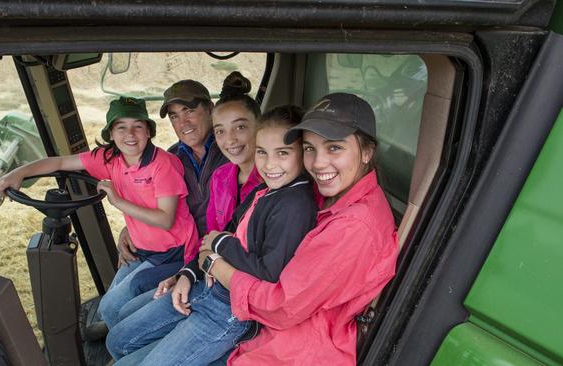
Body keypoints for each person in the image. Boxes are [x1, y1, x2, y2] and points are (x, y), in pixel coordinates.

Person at [108, 105, 317, 365]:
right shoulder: (264, 190)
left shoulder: (295, 203)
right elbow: (219, 233)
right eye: (262, 152)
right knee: (116, 340)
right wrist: (188, 273)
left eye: (283, 153)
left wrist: (220, 244)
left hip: (230, 310)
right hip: (206, 285)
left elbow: (267, 269)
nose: (269, 164)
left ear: (305, 154)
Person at [203, 93, 399, 365]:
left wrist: (216, 265)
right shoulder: (331, 195)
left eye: (334, 148)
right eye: (309, 148)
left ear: (367, 152)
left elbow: (280, 307)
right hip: (265, 334)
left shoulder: (352, 226)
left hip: (290, 351)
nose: (318, 163)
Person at [0, 96, 199, 330]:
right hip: (144, 249)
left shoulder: (163, 164)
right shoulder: (110, 158)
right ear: (111, 134)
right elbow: (61, 162)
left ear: (149, 132)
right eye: (121, 127)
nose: (130, 135)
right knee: (109, 304)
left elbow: (165, 220)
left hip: (175, 252)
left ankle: (123, 343)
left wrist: (118, 201)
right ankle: (116, 327)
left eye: (138, 127)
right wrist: (20, 172)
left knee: (111, 307)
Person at [107, 71, 264, 322]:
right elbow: (156, 204)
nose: (183, 123)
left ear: (211, 109)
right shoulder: (171, 159)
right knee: (115, 291)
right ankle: (113, 330)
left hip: (204, 253)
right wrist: (130, 229)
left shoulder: (233, 152)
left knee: (124, 297)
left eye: (189, 111)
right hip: (174, 245)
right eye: (174, 116)